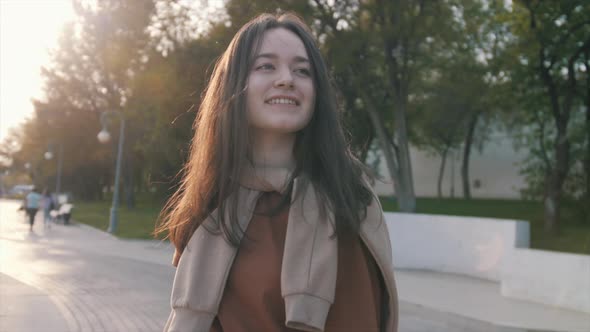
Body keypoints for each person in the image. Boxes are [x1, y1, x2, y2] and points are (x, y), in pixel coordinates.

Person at [157, 12, 398, 332]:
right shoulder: (211, 204)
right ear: (234, 85)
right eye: (266, 66)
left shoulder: (344, 205)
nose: (287, 79)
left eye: (302, 70)